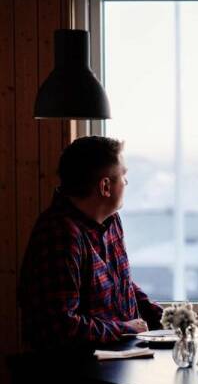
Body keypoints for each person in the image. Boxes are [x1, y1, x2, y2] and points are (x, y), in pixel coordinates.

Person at [18, 136, 162, 351]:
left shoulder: (111, 220)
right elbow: (61, 327)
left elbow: (120, 284)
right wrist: (125, 329)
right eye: (123, 175)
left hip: (121, 354)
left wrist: (167, 318)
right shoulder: (60, 234)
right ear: (105, 186)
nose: (126, 183)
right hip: (77, 366)